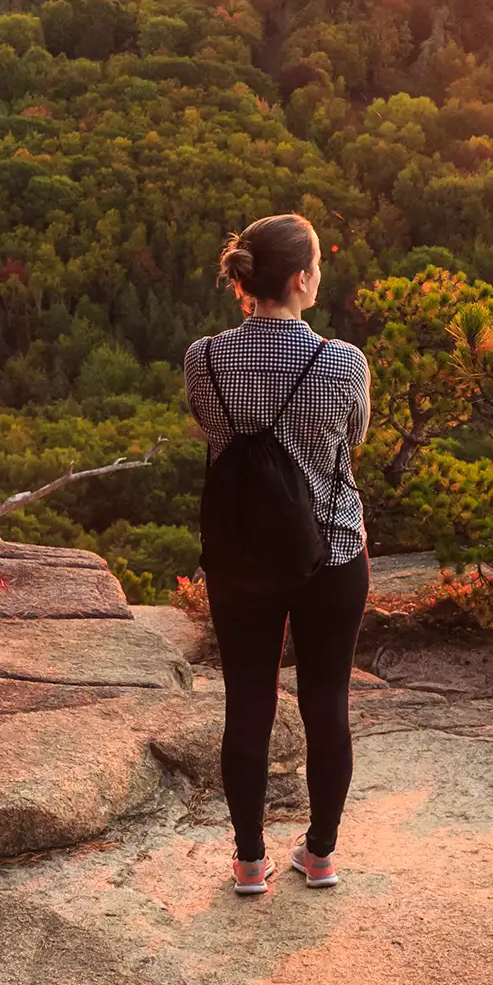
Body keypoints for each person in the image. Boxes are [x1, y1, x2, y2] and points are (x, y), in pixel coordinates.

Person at [182, 213, 373, 899]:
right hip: (331, 551)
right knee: (327, 701)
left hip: (240, 557)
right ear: (300, 278)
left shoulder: (202, 357)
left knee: (248, 704)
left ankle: (248, 861)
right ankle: (319, 854)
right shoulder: (343, 362)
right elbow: (352, 440)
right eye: (317, 265)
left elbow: (211, 427)